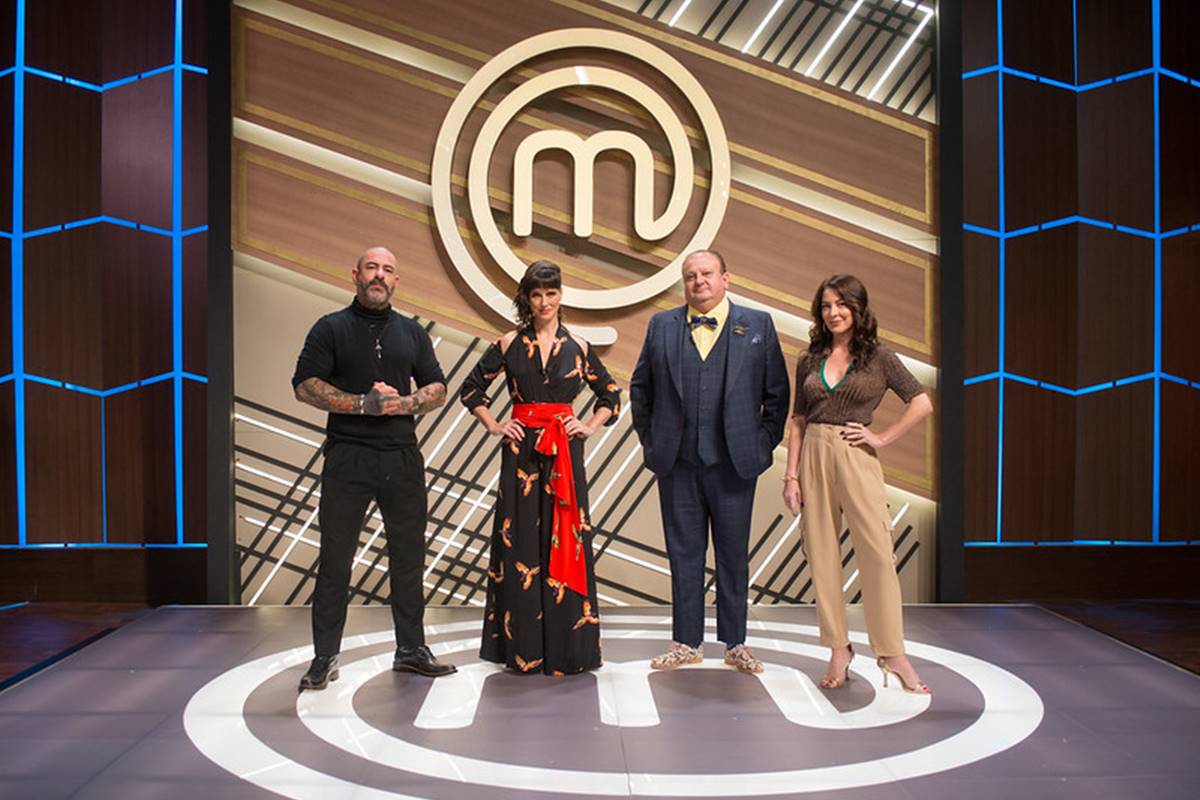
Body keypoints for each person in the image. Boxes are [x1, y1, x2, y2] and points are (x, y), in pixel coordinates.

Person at [291, 246, 457, 691]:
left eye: (387, 269)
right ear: (355, 275)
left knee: (408, 559)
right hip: (348, 457)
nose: (379, 276)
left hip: (402, 457)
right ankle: (324, 657)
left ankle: (410, 650)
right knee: (335, 561)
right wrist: (364, 404)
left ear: (396, 281)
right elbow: (304, 385)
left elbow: (438, 388)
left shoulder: (411, 333)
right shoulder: (330, 328)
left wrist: (399, 404)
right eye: (371, 268)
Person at [629, 250, 789, 673]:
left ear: (726, 279)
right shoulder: (661, 325)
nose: (698, 281)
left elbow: (777, 395)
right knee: (684, 554)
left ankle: (736, 643)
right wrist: (652, 441)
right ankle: (687, 642)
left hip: (735, 463)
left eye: (706, 274)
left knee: (734, 554)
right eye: (690, 276)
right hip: (677, 462)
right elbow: (640, 390)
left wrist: (761, 445)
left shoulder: (758, 325)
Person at [459, 260, 620, 674]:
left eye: (551, 293)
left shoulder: (579, 346)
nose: (544, 302)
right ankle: (523, 650)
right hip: (522, 452)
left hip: (565, 452)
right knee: (521, 550)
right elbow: (471, 389)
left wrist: (586, 426)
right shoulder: (509, 342)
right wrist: (496, 424)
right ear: (527, 299)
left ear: (561, 295)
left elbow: (612, 398)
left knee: (567, 539)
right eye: (536, 294)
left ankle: (569, 651)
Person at [782, 274, 933, 693]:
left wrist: (881, 437)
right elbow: (797, 420)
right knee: (822, 554)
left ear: (858, 309)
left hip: (856, 456)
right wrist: (791, 476)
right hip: (813, 452)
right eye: (827, 305)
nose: (833, 312)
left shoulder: (879, 357)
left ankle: (892, 653)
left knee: (878, 554)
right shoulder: (809, 358)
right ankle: (838, 647)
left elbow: (921, 402)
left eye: (841, 305)